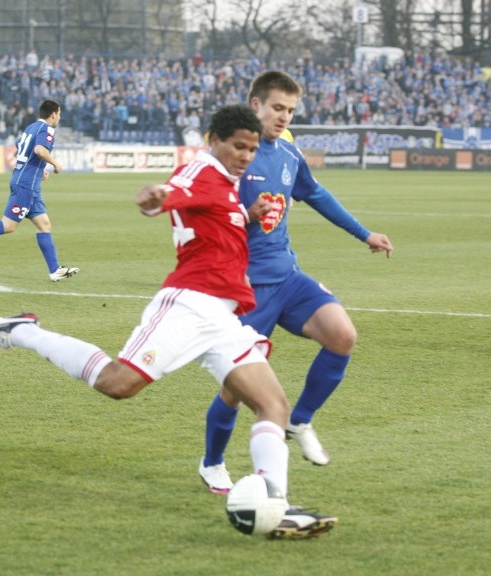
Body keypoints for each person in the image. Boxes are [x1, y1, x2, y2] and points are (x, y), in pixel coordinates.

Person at [0, 104, 337, 540]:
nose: (245, 155)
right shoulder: (202, 169)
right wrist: (158, 198)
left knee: (273, 405)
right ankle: (23, 331)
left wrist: (248, 216)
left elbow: (212, 219)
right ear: (214, 139)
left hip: (223, 316)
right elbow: (175, 191)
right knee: (118, 384)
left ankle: (276, 506)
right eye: (238, 146)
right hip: (189, 304)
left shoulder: (229, 184)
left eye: (252, 149)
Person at [198, 70, 394, 494]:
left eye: (290, 110)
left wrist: (365, 234)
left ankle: (299, 419)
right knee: (236, 390)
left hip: (287, 276)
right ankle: (212, 462)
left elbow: (317, 195)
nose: (284, 117)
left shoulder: (288, 154)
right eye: (277, 108)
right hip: (245, 289)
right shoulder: (230, 157)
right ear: (256, 106)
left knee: (342, 335)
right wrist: (244, 217)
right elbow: (204, 218)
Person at [0, 99, 79, 282]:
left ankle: (55, 270)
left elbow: (17, 152)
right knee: (8, 225)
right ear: (53, 114)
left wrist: (39, 168)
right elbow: (39, 149)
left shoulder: (31, 128)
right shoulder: (48, 130)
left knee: (44, 225)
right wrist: (54, 163)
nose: (59, 117)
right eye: (59, 113)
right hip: (25, 184)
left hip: (29, 183)